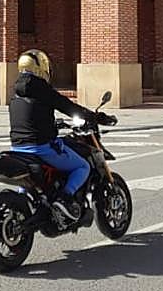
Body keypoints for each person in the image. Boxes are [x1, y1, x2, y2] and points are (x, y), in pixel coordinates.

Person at [8, 49, 109, 223]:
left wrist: (51, 124)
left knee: (24, 180)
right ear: (41, 68)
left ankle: (23, 203)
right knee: (82, 166)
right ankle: (64, 198)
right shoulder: (42, 89)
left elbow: (31, 119)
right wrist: (93, 116)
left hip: (17, 149)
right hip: (42, 149)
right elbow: (67, 106)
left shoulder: (16, 93)